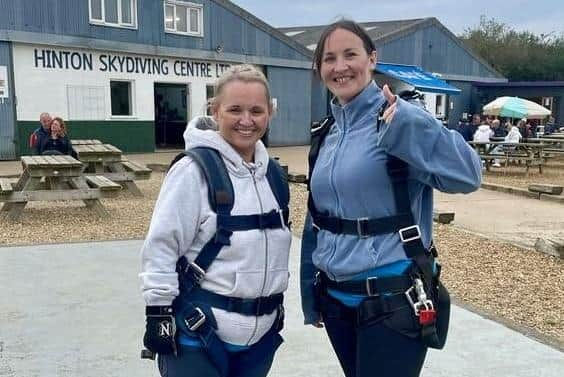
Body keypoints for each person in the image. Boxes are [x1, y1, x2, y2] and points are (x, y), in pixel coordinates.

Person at [300, 20, 482, 377]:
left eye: (350, 54)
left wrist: (412, 124)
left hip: (394, 301)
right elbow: (316, 220)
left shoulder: (399, 118)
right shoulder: (326, 134)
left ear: (372, 59)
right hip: (337, 300)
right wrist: (310, 292)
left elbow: (469, 176)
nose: (340, 67)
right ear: (320, 69)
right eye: (329, 58)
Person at [140, 64, 291, 377]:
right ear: (215, 110)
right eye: (235, 109)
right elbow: (162, 246)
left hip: (258, 341)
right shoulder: (193, 171)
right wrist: (157, 312)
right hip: (199, 336)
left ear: (270, 113)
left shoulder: (273, 176)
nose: (246, 120)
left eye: (256, 110)